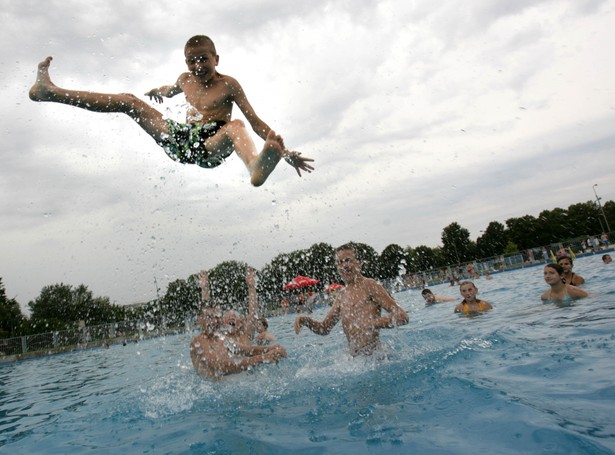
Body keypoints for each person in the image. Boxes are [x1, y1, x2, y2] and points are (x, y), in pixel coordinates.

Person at [29, 35, 314, 187]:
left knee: (236, 124)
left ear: (216, 58)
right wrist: (156, 92)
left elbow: (255, 122)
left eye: (204, 59)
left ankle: (255, 167)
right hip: (183, 141)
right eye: (192, 61)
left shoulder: (229, 85)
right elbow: (170, 90)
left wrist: (285, 153)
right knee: (128, 100)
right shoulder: (185, 79)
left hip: (215, 142)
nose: (198, 66)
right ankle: (49, 92)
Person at [294, 244, 409, 356]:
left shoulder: (370, 286)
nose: (344, 265)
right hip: (354, 362)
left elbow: (402, 317)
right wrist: (306, 321)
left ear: (359, 263)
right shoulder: (341, 295)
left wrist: (372, 323)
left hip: (375, 359)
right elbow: (324, 328)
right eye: (340, 262)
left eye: (348, 260)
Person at [190, 271, 287, 379]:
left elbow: (250, 350)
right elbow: (219, 366)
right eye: (210, 318)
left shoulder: (222, 340)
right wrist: (262, 358)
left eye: (216, 317)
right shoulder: (198, 341)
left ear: (241, 322)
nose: (213, 321)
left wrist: (272, 348)